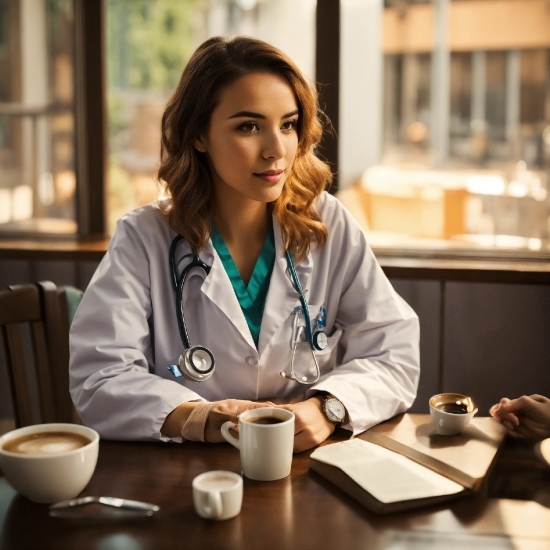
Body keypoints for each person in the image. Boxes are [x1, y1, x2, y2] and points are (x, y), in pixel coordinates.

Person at [69, 36, 420, 452]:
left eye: (287, 125)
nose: (276, 149)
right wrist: (201, 418)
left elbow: (394, 353)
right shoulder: (143, 237)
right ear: (199, 134)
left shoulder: (327, 224)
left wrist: (329, 408)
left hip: (305, 467)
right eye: (249, 126)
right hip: (187, 473)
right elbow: (100, 377)